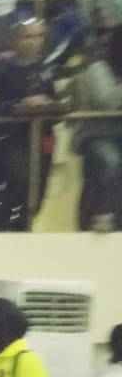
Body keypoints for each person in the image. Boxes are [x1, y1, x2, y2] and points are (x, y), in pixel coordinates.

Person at [0, 17, 59, 230]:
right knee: (18, 183)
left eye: (39, 36)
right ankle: (6, 226)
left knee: (39, 188)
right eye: (29, 37)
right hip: (11, 139)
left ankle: (26, 225)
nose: (35, 42)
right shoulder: (0, 69)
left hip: (42, 137)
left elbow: (54, 101)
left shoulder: (47, 67)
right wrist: (19, 104)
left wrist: (50, 104)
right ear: (16, 40)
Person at [73, 26, 122, 231]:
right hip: (96, 136)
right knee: (111, 162)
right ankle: (102, 215)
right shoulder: (97, 69)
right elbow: (107, 100)